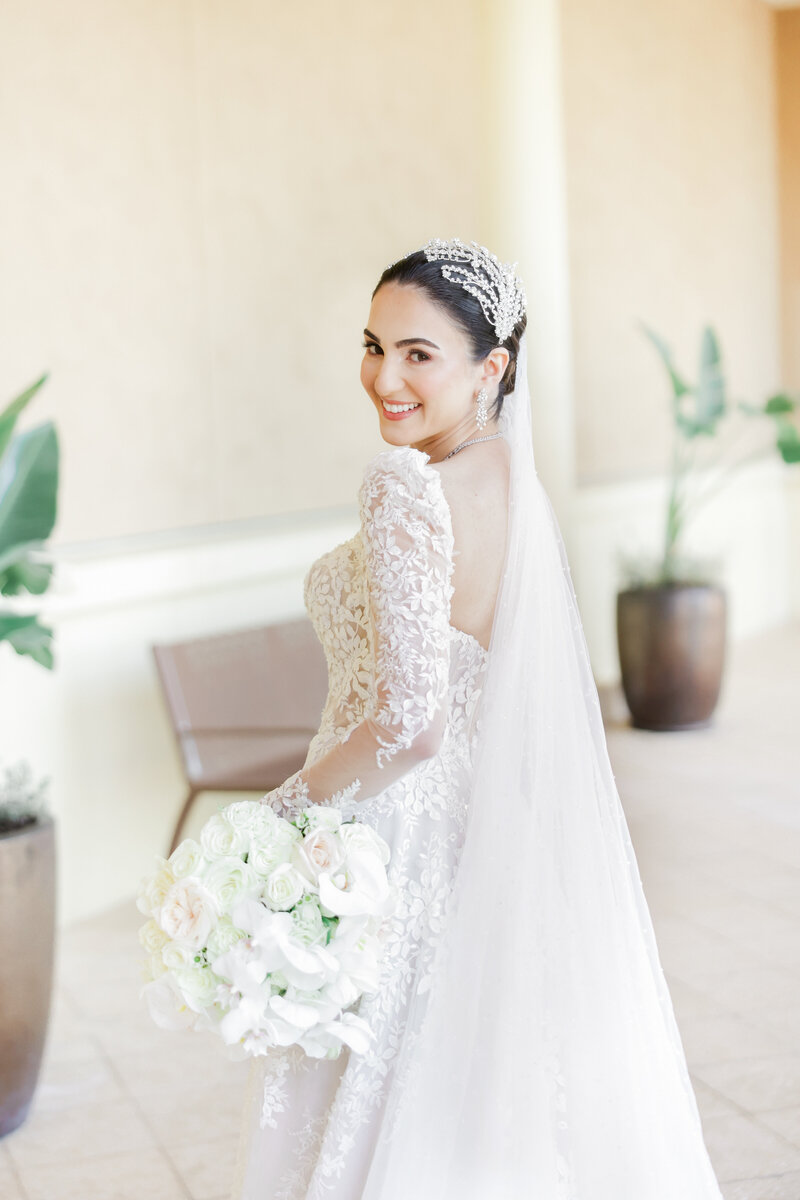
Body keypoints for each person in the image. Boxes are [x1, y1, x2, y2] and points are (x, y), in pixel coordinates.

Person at [229, 240, 725, 1200]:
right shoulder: (516, 489)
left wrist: (284, 809)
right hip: (485, 828)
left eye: (420, 354)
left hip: (393, 835)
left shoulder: (404, 488)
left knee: (392, 1092)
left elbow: (409, 724)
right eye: (374, 346)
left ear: (491, 367)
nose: (384, 377)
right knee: (491, 1092)